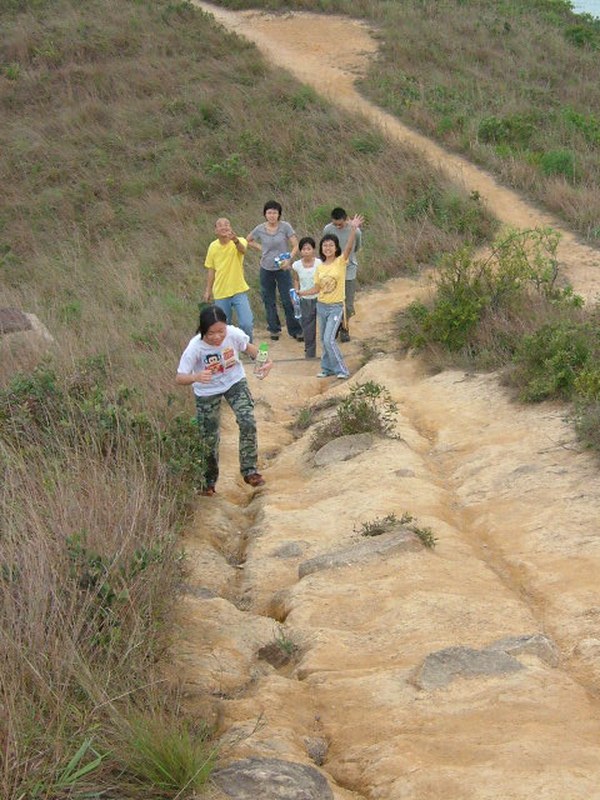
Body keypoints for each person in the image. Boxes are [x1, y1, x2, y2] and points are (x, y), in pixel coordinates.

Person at [175, 305, 271, 495]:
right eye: (211, 333)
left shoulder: (233, 334)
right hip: (207, 390)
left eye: (221, 331)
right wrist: (195, 377)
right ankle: (208, 483)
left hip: (234, 382)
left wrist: (266, 361)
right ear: (203, 330)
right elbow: (179, 377)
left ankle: (250, 471)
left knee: (247, 421)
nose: (217, 337)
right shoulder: (195, 347)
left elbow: (249, 349)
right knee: (209, 438)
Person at [298, 215, 364, 379]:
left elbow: (349, 247)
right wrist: (302, 293)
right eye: (325, 245)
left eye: (331, 245)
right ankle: (327, 368)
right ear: (321, 248)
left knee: (329, 340)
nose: (327, 248)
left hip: (336, 307)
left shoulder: (341, 262)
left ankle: (342, 370)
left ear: (336, 248)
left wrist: (353, 229)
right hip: (321, 306)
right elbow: (317, 288)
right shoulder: (320, 267)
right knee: (323, 339)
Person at [247, 200, 304, 342]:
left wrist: (289, 258)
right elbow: (249, 240)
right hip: (266, 268)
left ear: (279, 214)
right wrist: (262, 249)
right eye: (269, 213)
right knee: (268, 299)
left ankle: (296, 330)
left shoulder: (285, 227)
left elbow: (296, 245)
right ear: (265, 214)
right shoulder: (260, 228)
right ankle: (274, 329)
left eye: (275, 213)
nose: (272, 215)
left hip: (283, 268)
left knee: (288, 299)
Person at [203, 217, 253, 341]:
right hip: (220, 292)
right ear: (215, 230)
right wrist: (208, 290)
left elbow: (243, 250)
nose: (224, 227)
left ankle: (248, 347)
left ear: (230, 228)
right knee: (223, 327)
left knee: (246, 324)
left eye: (226, 224)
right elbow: (211, 270)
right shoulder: (213, 246)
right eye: (220, 225)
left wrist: (235, 240)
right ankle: (228, 351)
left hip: (238, 290)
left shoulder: (239, 241)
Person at [322, 207, 363, 342]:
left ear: (346, 219)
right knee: (334, 301)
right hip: (332, 270)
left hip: (349, 269)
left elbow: (356, 248)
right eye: (335, 224)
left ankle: (345, 328)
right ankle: (335, 326)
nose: (337, 227)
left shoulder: (355, 231)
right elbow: (325, 248)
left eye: (340, 224)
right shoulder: (328, 229)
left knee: (348, 303)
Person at [291, 236, 321, 359]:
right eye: (303, 249)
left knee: (324, 326)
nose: (306, 251)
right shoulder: (296, 265)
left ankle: (328, 352)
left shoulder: (319, 263)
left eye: (309, 249)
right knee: (308, 328)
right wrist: (296, 291)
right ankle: (310, 353)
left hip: (320, 298)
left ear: (313, 249)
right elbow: (296, 279)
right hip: (305, 300)